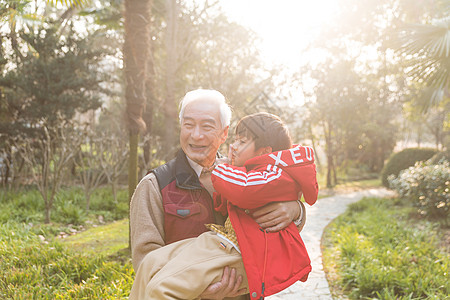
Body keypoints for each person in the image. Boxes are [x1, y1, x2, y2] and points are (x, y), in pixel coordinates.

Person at [129, 89, 305, 299]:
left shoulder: (246, 175)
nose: (196, 135)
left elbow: (277, 227)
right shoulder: (154, 185)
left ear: (224, 133)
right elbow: (145, 261)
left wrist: (296, 210)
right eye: (188, 124)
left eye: (207, 126)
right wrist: (200, 291)